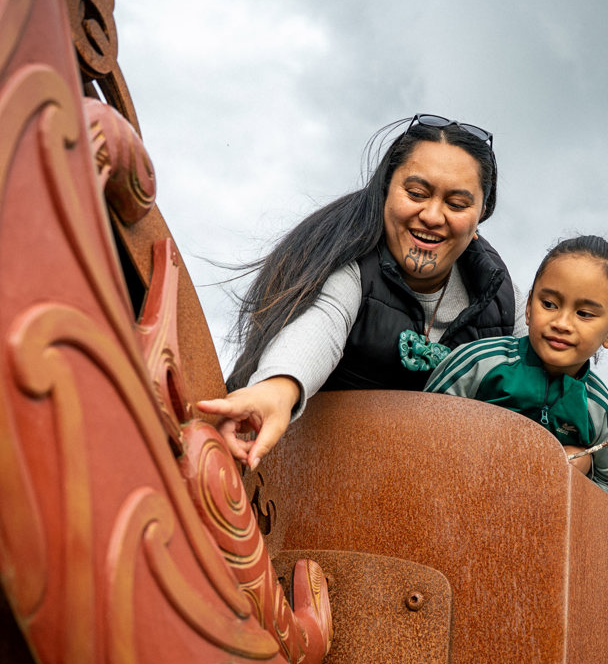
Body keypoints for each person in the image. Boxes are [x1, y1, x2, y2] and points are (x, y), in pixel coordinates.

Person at [196, 114, 517, 470]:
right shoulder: (350, 267)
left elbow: (554, 371)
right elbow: (321, 326)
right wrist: (276, 390)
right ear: (384, 192)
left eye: (457, 204)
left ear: (480, 217)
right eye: (415, 193)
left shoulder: (503, 299)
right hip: (312, 481)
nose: (432, 215)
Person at [425, 235, 608, 506]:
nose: (561, 323)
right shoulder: (479, 363)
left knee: (580, 457)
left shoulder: (598, 408)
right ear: (527, 308)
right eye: (549, 304)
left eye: (584, 313)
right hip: (451, 501)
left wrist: (572, 471)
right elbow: (422, 427)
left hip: (538, 529)